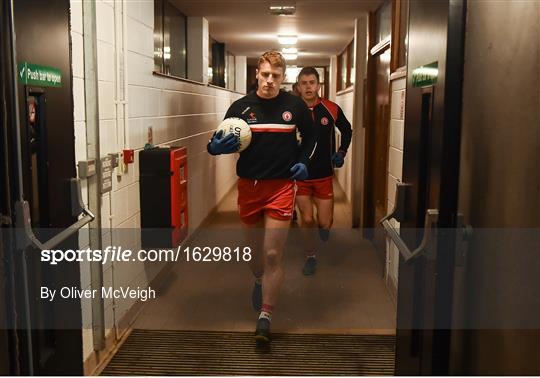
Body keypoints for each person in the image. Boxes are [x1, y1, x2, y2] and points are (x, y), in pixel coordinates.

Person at [207, 51, 316, 344]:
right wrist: (214, 148)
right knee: (255, 256)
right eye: (265, 74)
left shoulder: (294, 106)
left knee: (272, 254)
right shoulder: (240, 107)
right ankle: (258, 279)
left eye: (276, 76)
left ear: (283, 78)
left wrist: (305, 160)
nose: (270, 81)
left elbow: (313, 136)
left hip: (281, 187)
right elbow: (218, 139)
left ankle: (265, 316)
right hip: (249, 187)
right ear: (258, 72)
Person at [295, 66, 352, 276]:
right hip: (300, 176)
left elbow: (347, 130)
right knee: (307, 219)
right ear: (298, 86)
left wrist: (342, 151)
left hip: (324, 175)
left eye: (312, 82)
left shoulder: (331, 108)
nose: (308, 87)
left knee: (324, 223)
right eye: (304, 83)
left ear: (318, 85)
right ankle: (310, 256)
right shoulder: (292, 110)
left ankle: (324, 229)